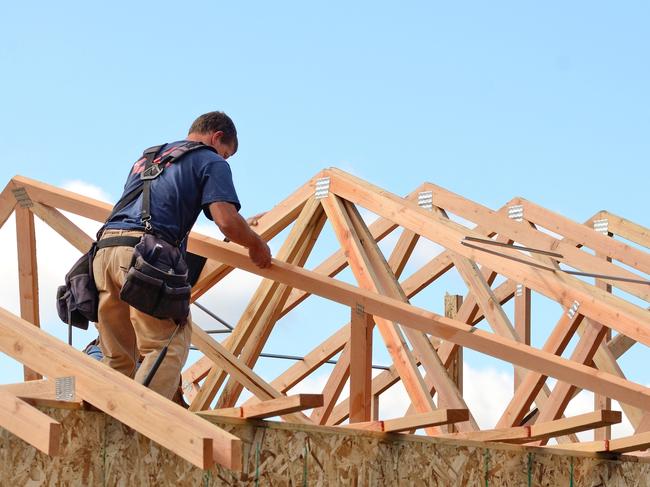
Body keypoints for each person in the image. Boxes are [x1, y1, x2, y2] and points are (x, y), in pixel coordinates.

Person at [92, 111, 271, 400]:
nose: (224, 160)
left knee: (119, 356)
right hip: (144, 255)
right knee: (168, 344)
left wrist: (239, 229)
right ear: (217, 137)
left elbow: (160, 206)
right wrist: (255, 244)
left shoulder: (149, 158)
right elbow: (225, 219)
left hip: (105, 253)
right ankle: (142, 423)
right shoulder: (210, 160)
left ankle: (111, 420)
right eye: (227, 154)